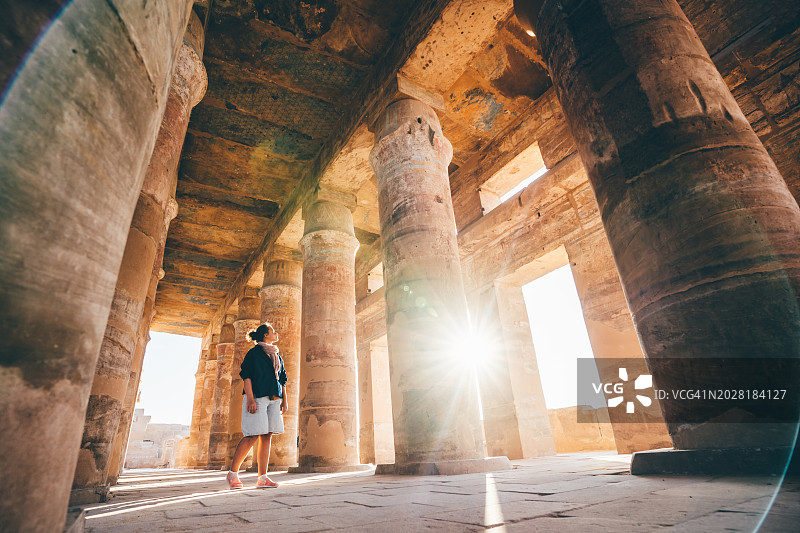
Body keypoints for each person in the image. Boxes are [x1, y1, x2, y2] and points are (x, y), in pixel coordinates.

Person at [226, 323, 288, 489]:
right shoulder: (254, 353)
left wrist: (285, 400)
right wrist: (251, 399)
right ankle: (232, 474)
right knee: (252, 435)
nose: (276, 332)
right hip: (257, 398)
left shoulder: (277, 355)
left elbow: (282, 379)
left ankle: (262, 478)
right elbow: (247, 376)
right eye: (273, 331)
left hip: (274, 398)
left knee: (267, 436)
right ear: (265, 335)